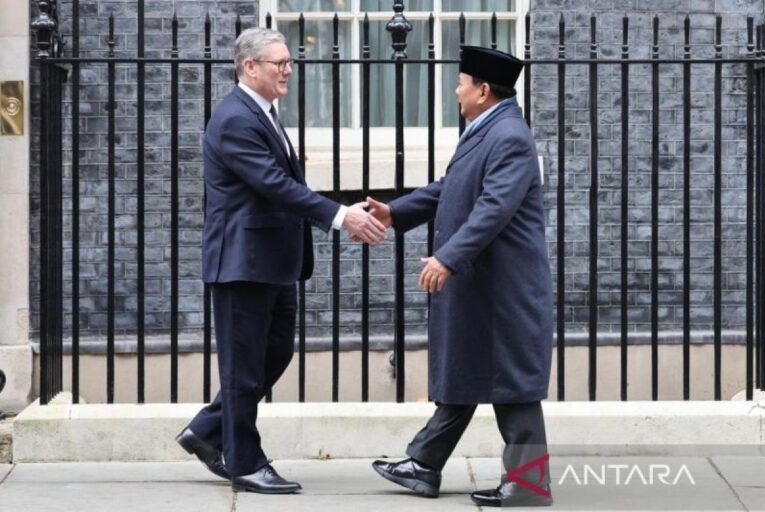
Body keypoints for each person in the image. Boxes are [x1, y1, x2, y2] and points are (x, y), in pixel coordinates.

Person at [176, 27, 386, 495]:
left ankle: (206, 430)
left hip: (270, 261)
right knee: (243, 367)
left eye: (290, 62)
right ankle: (246, 464)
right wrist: (340, 216)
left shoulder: (262, 113)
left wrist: (338, 214)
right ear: (250, 66)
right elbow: (274, 184)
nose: (288, 70)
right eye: (280, 63)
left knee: (274, 353)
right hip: (242, 262)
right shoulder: (236, 118)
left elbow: (282, 186)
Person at [367, 46, 554, 508]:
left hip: (505, 288)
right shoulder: (488, 130)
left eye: (461, 83)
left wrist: (446, 259)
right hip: (484, 284)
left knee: (512, 385)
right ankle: (424, 464)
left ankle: (529, 484)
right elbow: (452, 188)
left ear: (483, 90)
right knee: (467, 371)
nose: (456, 91)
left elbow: (493, 209)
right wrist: (396, 212)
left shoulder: (509, 137)